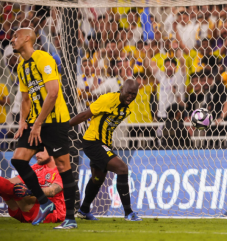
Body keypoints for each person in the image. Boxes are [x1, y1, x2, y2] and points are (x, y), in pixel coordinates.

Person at [11, 28, 77, 229]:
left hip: (54, 121)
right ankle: (45, 202)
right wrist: (23, 121)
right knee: (18, 160)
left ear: (27, 38)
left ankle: (71, 218)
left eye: (16, 36)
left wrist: (38, 124)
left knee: (64, 167)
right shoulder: (22, 66)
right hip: (35, 123)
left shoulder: (43, 58)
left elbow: (53, 93)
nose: (12, 40)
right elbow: (25, 98)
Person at [69, 79, 142, 221]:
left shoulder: (130, 107)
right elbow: (84, 115)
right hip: (92, 141)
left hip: (105, 143)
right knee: (122, 168)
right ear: (122, 90)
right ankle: (128, 213)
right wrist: (65, 126)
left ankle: (83, 210)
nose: (130, 97)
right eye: (128, 93)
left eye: (134, 94)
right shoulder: (107, 99)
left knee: (98, 178)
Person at [0, 148, 65, 223]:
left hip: (51, 213)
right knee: (4, 185)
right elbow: (10, 182)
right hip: (23, 211)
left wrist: (30, 191)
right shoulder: (37, 167)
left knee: (20, 189)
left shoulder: (62, 170)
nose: (36, 154)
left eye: (40, 151)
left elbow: (52, 191)